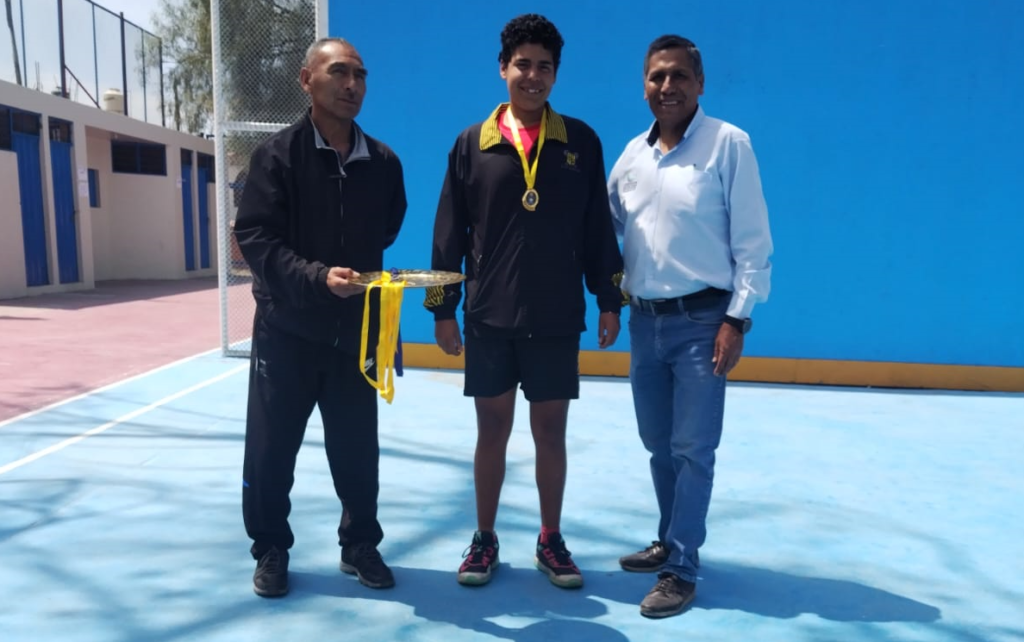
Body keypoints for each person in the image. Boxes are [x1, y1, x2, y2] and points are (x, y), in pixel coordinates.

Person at [425, 14, 625, 590]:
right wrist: (442, 309)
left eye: (544, 67)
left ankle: (550, 538)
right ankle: (484, 539)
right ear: (503, 69)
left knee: (551, 433)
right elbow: (448, 236)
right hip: (489, 315)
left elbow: (597, 232)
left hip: (557, 315)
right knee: (491, 431)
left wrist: (608, 298)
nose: (532, 76)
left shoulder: (580, 142)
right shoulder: (472, 143)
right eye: (523, 65)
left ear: (555, 75)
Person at [233, 37, 407, 598]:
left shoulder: (382, 163)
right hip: (287, 332)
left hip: (356, 334)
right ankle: (271, 548)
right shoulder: (276, 157)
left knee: (358, 449)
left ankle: (360, 546)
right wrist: (314, 278)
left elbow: (388, 226)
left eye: (360, 74)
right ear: (307, 81)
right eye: (339, 73)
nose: (353, 84)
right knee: (271, 449)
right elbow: (255, 237)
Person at [607, 35, 773, 618]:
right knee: (658, 445)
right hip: (644, 324)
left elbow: (754, 245)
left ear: (699, 83)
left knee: (693, 448)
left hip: (704, 322)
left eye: (679, 76)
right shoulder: (631, 157)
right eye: (656, 77)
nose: (667, 87)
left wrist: (737, 319)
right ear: (645, 84)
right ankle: (667, 536)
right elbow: (604, 234)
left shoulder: (729, 145)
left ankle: (681, 567)